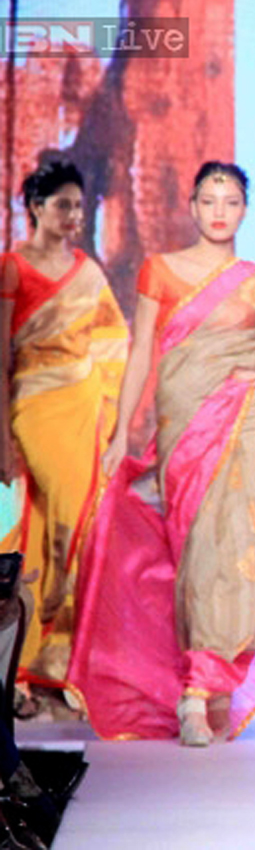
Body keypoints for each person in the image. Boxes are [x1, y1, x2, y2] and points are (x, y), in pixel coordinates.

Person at [67, 162, 255, 746]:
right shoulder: (159, 269)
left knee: (231, 549)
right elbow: (141, 354)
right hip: (181, 423)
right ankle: (196, 682)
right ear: (190, 206)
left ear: (245, 209)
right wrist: (119, 436)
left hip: (242, 422)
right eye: (209, 200)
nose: (219, 212)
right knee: (191, 554)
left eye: (230, 201)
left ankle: (202, 690)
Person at [0, 157, 127, 716]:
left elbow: (113, 343)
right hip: (32, 406)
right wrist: (2, 437)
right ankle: (26, 661)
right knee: (56, 522)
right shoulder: (12, 266)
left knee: (60, 528)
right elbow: (1, 358)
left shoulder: (88, 271)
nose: (74, 214)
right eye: (62, 205)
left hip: (82, 407)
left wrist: (111, 414)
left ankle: (48, 666)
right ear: (35, 207)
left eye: (79, 205)